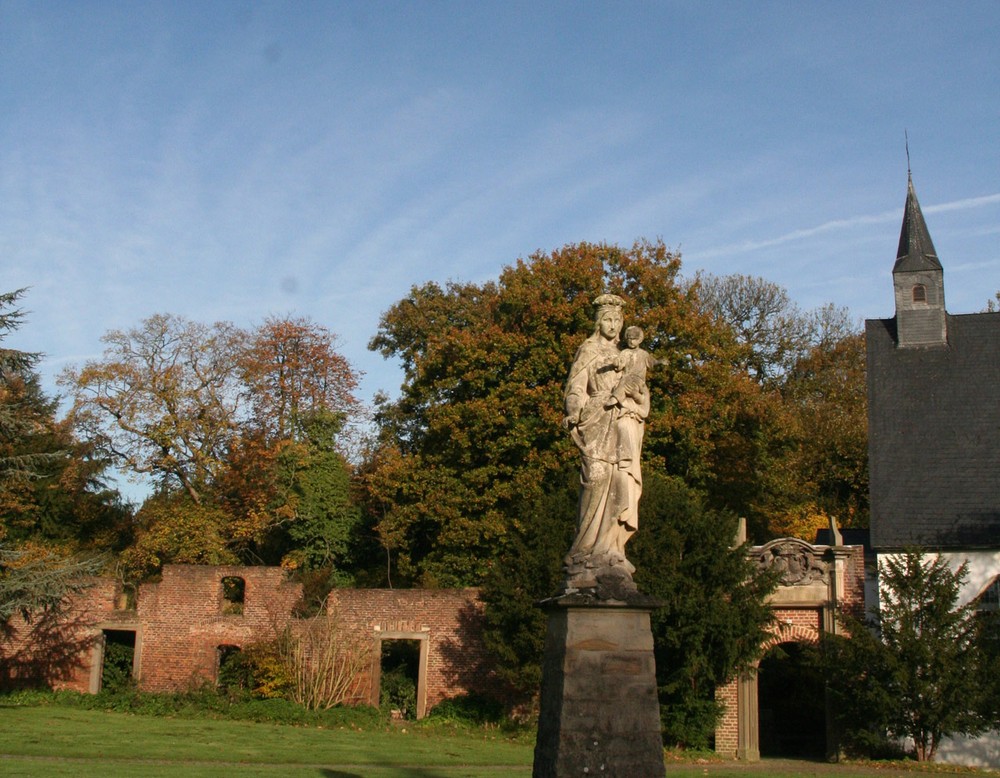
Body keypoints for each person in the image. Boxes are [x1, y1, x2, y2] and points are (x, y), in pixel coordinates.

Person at [562, 295, 649, 589]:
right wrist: (574, 411)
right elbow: (575, 388)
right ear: (598, 322)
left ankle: (612, 551)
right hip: (596, 419)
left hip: (622, 422)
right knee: (596, 479)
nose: (612, 325)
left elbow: (639, 385)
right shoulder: (588, 350)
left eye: (617, 321)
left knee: (620, 482)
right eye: (607, 320)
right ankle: (583, 553)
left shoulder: (628, 354)